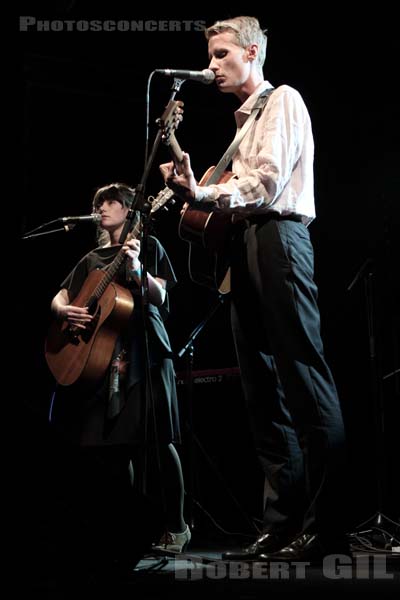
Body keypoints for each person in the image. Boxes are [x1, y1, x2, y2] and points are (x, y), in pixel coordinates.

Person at [159, 16, 349, 562]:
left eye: (221, 55)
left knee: (303, 377)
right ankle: (281, 524)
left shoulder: (283, 99)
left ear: (250, 52)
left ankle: (325, 525)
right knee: (262, 391)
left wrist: (203, 192)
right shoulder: (243, 124)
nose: (212, 66)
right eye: (210, 56)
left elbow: (266, 183)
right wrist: (196, 191)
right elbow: (233, 193)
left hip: (279, 238)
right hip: (245, 245)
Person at [48, 183, 190, 564]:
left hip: (145, 351)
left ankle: (177, 526)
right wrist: (63, 311)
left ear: (129, 210)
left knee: (160, 439)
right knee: (113, 446)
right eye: (97, 203)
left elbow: (160, 295)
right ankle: (120, 529)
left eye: (109, 202)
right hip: (102, 355)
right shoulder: (92, 258)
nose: (101, 208)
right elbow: (60, 295)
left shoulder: (149, 247)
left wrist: (137, 268)